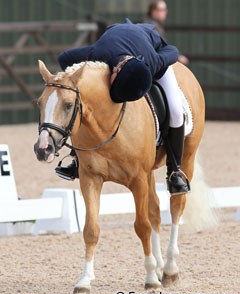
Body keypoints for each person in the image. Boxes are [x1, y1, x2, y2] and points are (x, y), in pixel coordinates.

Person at [56, 18, 190, 195]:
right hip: (115, 39)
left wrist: (161, 59)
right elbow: (64, 58)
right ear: (115, 71)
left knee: (175, 110)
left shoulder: (155, 61)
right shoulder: (99, 53)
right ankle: (76, 159)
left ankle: (174, 171)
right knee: (85, 100)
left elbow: (173, 51)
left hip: (153, 48)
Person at [147, 0, 189, 66]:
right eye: (161, 10)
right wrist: (178, 57)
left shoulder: (155, 25)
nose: (165, 12)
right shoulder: (152, 27)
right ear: (153, 11)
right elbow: (160, 48)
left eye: (165, 9)